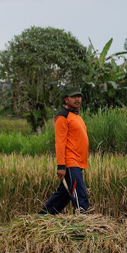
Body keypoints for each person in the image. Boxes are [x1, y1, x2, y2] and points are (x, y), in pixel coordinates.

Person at [39, 86, 90, 214]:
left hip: (78, 162)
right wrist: (61, 165)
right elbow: (60, 142)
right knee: (79, 193)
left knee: (63, 195)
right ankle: (83, 220)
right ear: (66, 99)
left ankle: (43, 217)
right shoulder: (62, 117)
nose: (77, 99)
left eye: (79, 96)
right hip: (71, 162)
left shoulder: (76, 116)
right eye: (73, 97)